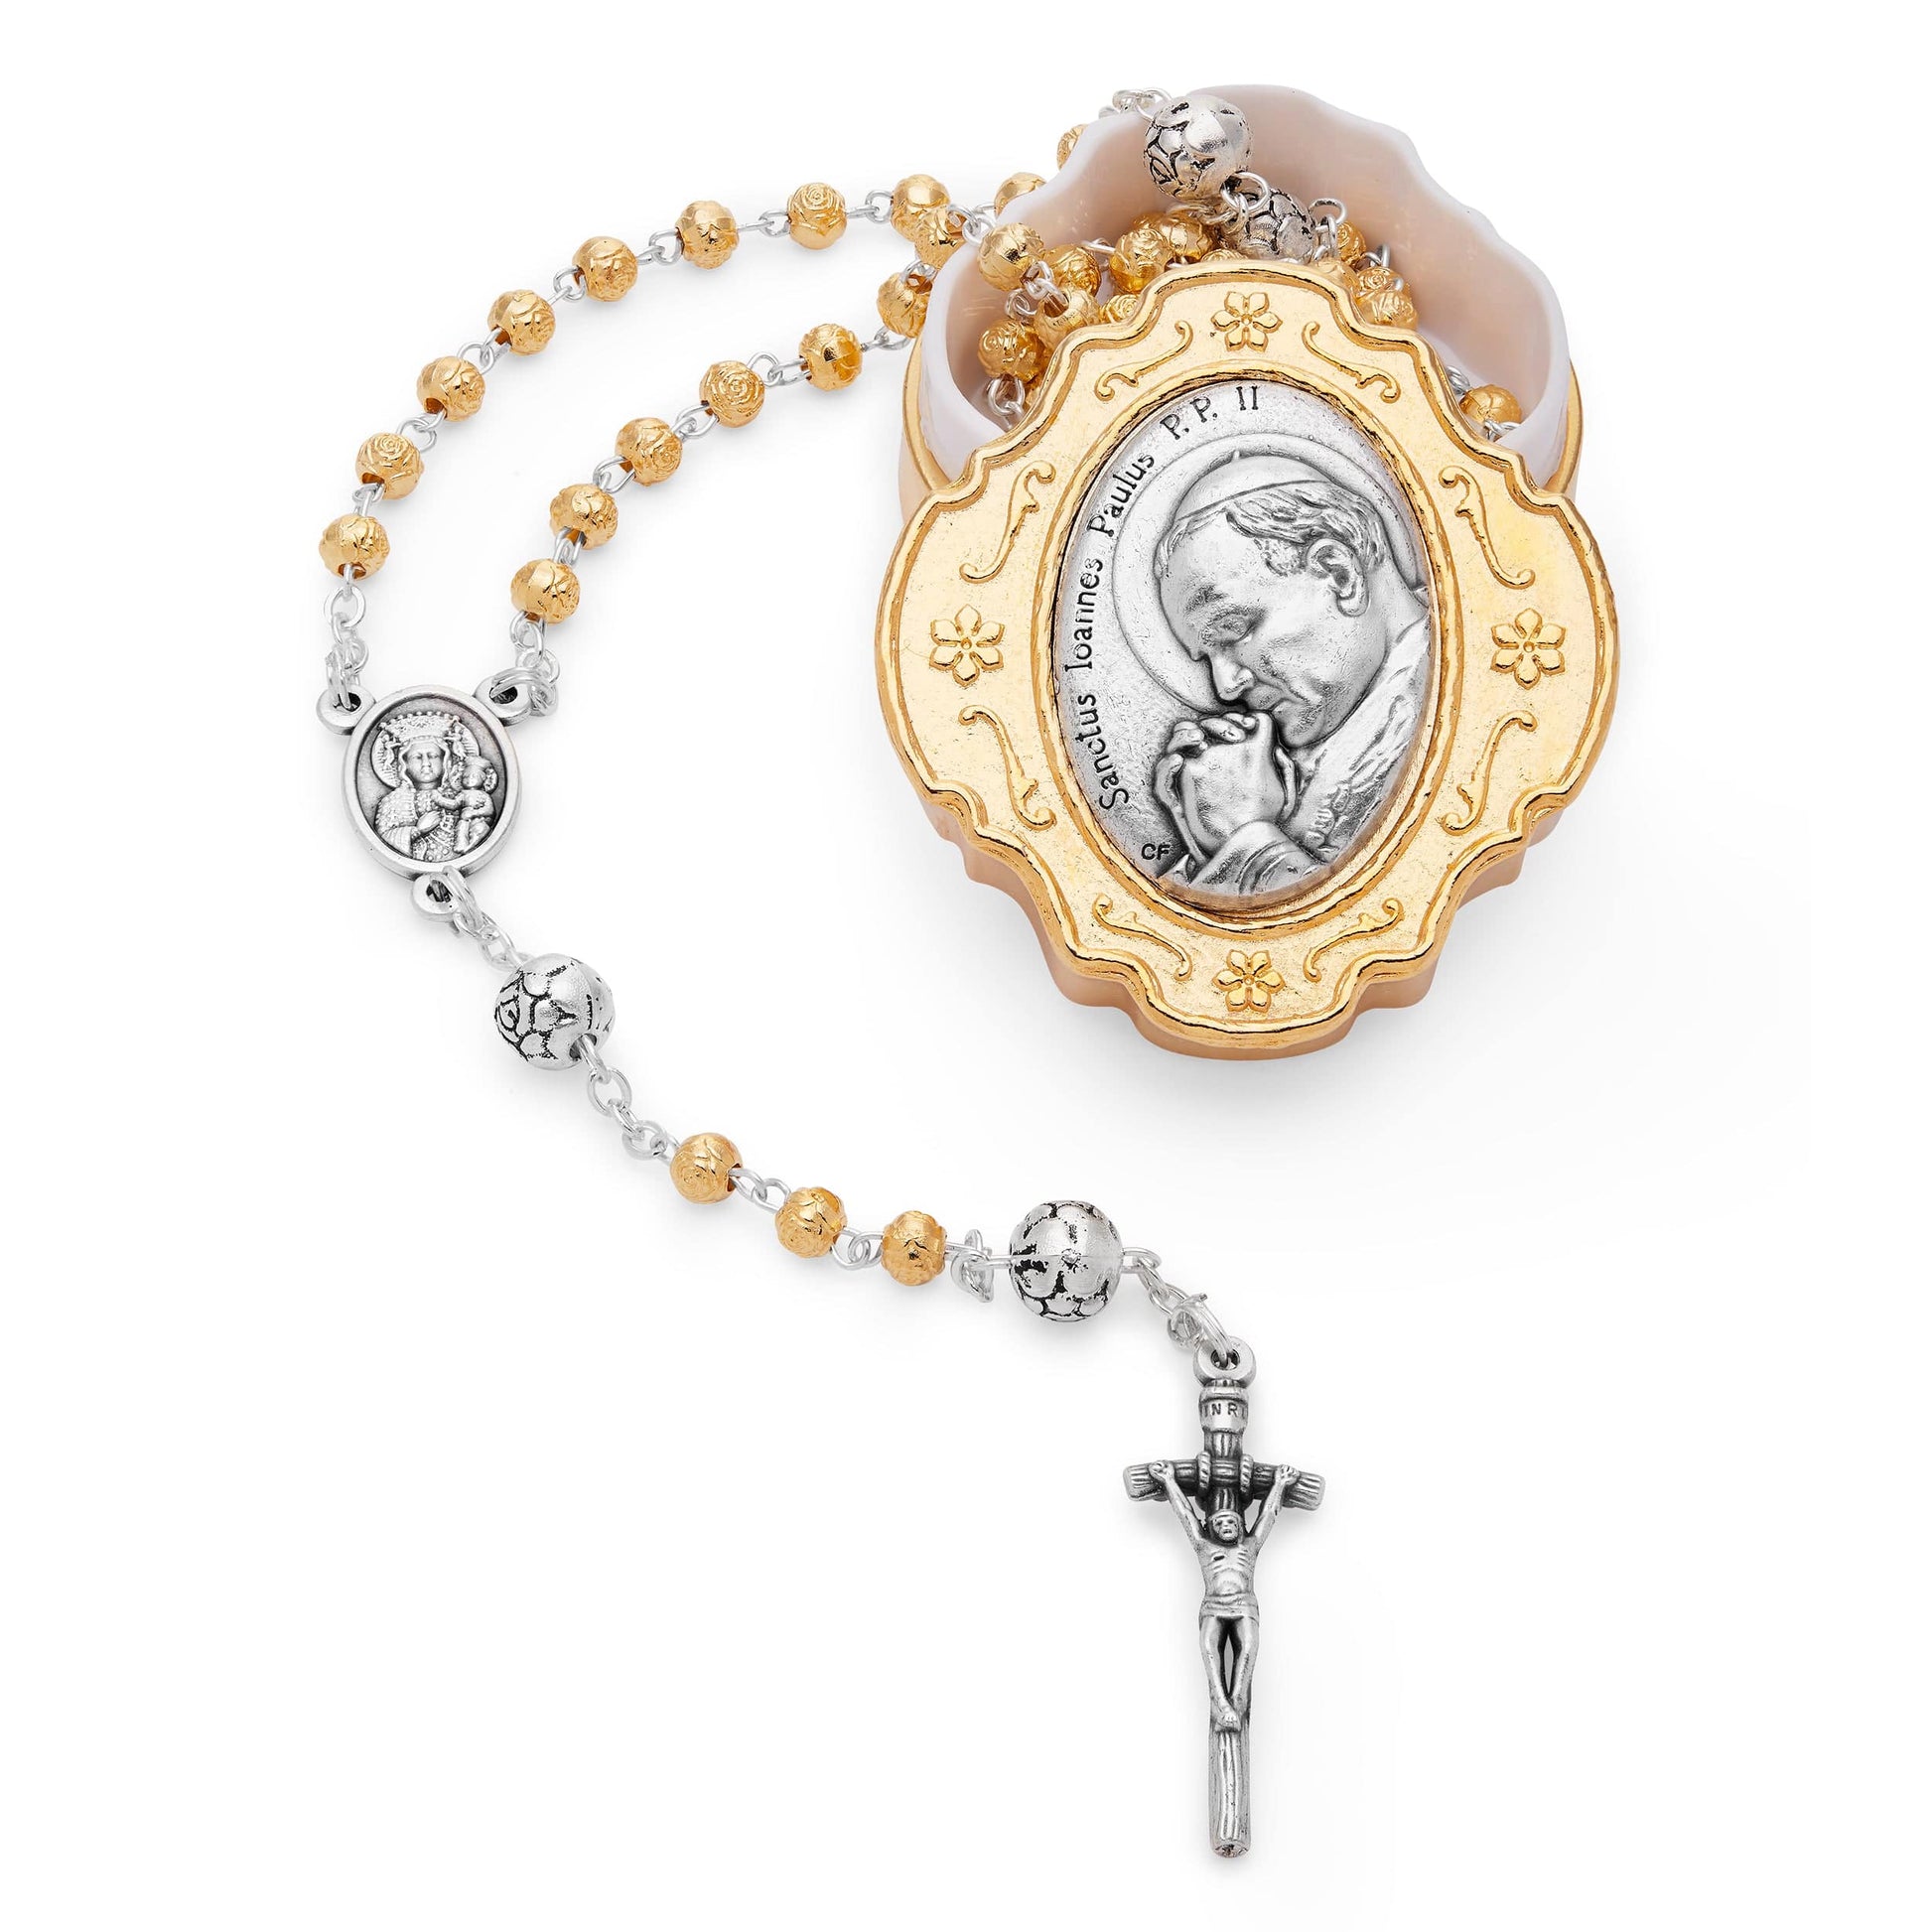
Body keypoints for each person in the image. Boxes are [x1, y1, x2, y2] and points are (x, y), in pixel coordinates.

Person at [1151, 453, 1430, 896]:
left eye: (1234, 629)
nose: (1225, 688)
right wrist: (1208, 834)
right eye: (1206, 656)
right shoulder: (1274, 760)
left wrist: (1245, 836)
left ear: (1339, 574)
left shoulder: (1470, 706)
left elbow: (1381, 911)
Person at [1147, 1460, 1299, 1731]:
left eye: (1232, 1521)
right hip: (1214, 1608)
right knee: (1208, 1649)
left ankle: (1237, 1700)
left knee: (1248, 1648)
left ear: (1241, 1526)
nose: (1227, 1525)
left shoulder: (1249, 1547)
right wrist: (1169, 1481)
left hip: (1244, 1606)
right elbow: (1186, 1515)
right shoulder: (1204, 1547)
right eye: (1220, 1522)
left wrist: (1279, 1484)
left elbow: (1269, 1514)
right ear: (1210, 1528)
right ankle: (1220, 1701)